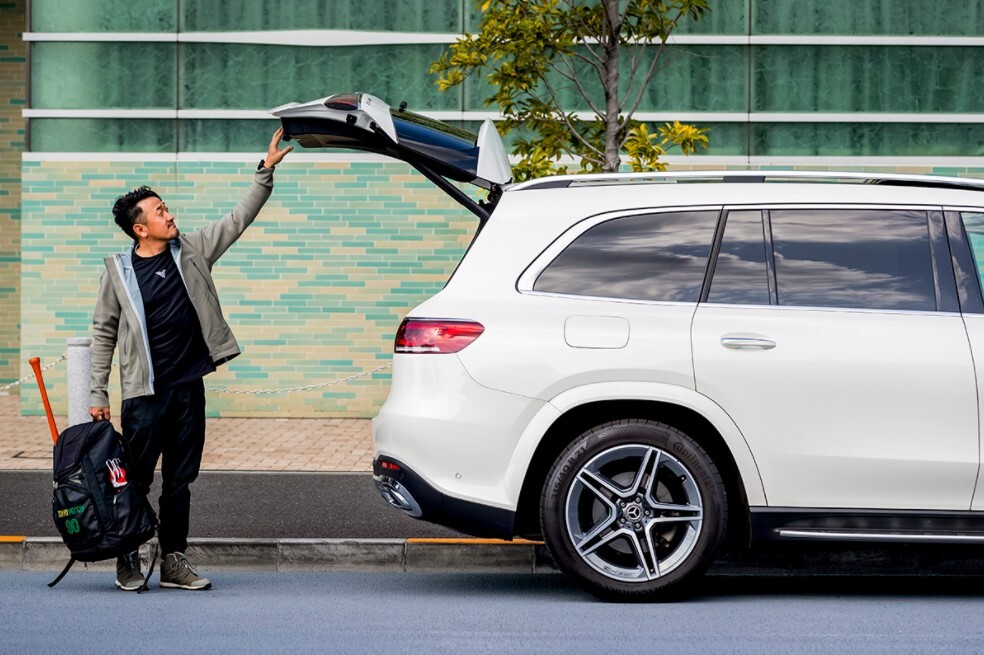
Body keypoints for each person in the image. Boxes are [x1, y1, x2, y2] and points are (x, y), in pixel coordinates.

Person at [89, 129, 293, 591]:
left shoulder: (194, 251)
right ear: (140, 229)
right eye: (160, 211)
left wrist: (265, 171)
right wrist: (97, 392)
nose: (170, 214)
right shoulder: (118, 273)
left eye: (166, 208)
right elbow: (103, 333)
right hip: (143, 396)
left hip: (187, 389)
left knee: (179, 482)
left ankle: (173, 561)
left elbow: (238, 219)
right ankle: (127, 556)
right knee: (135, 480)